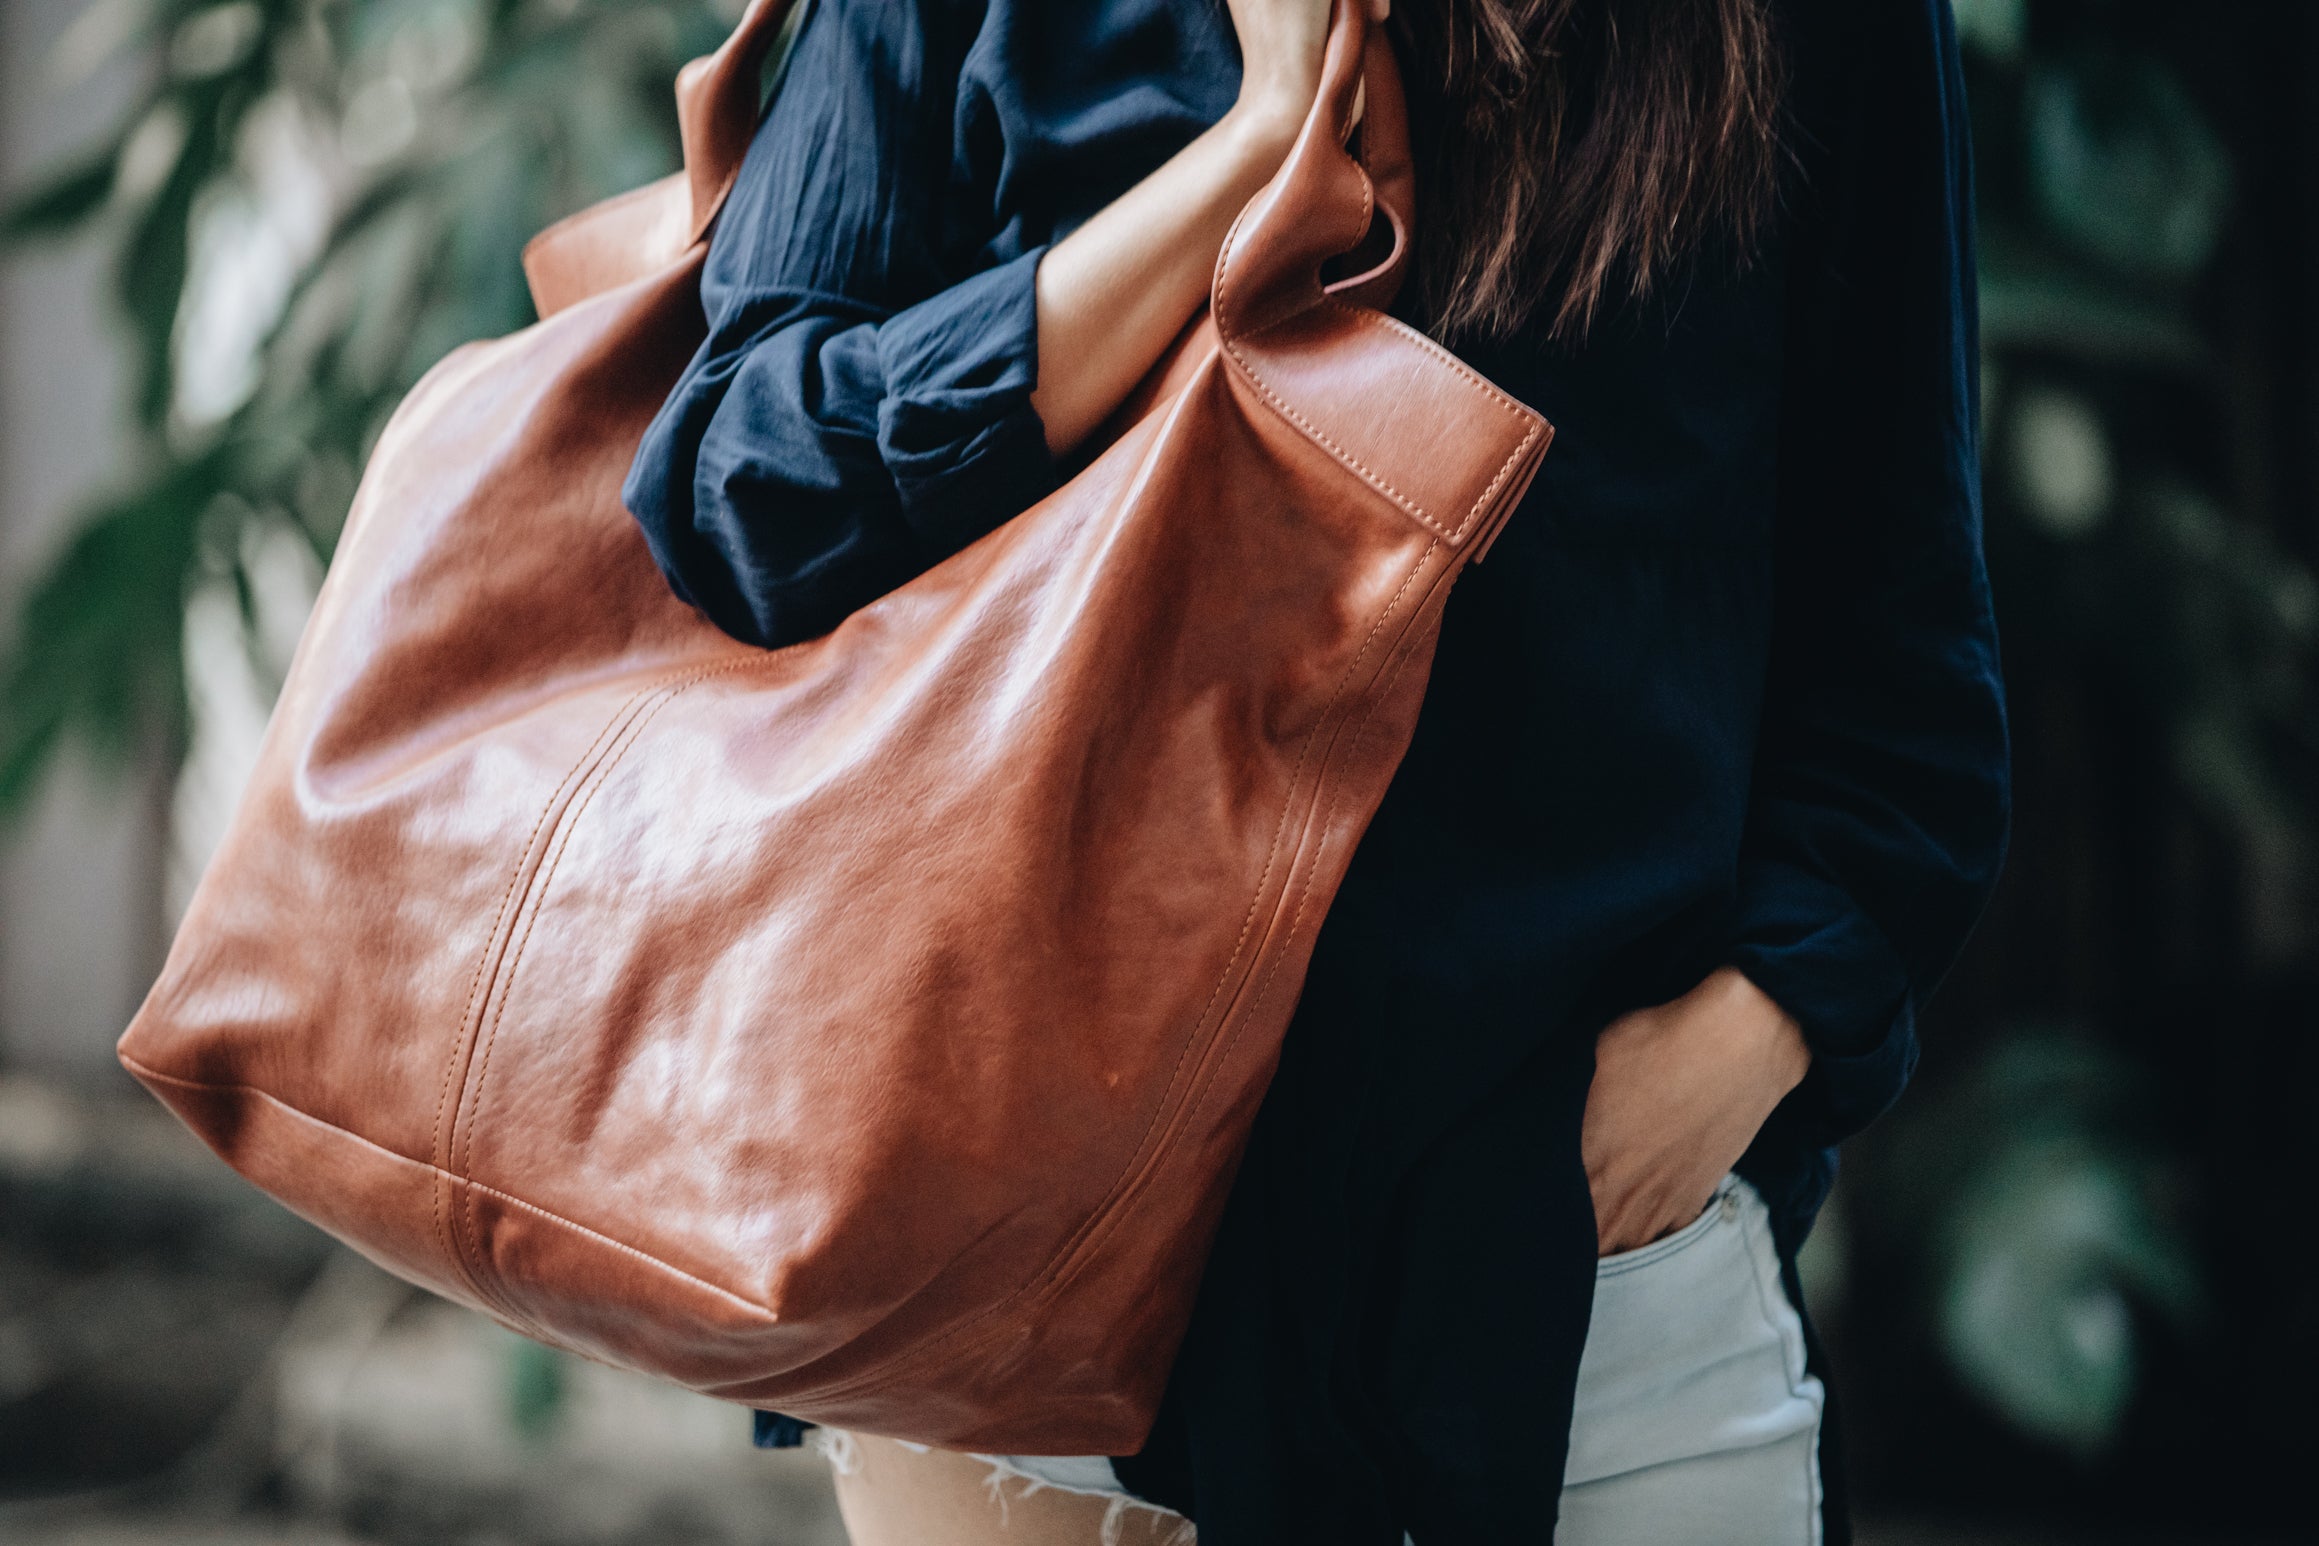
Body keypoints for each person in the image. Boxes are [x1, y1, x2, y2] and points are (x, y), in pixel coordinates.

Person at [622, 0, 2008, 1539]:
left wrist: (1732, 1057)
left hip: (1588, 1292)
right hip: (1029, 1282)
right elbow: (745, 478)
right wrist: (1241, 170)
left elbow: (1903, 655)